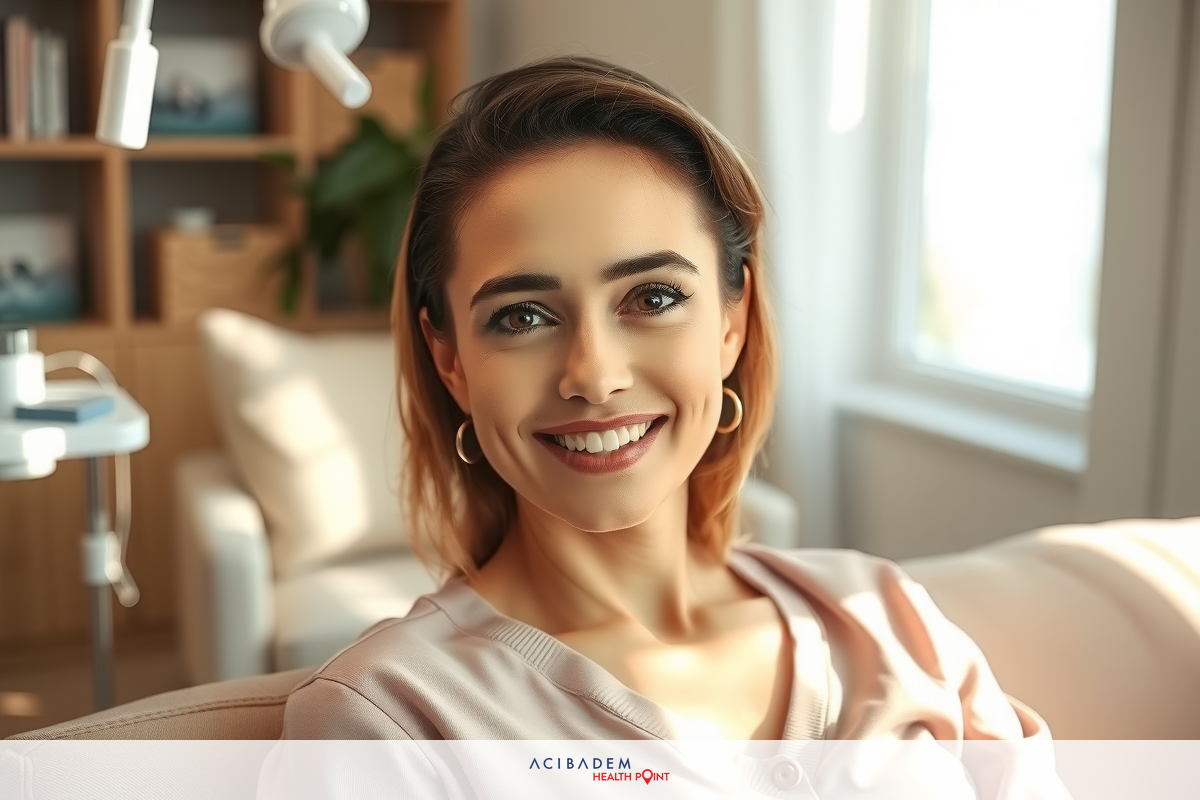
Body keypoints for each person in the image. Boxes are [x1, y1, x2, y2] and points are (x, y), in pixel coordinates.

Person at [267, 55, 1070, 798]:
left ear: (732, 320)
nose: (594, 375)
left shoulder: (890, 616)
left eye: (651, 298)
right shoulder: (389, 718)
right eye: (522, 316)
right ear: (450, 360)